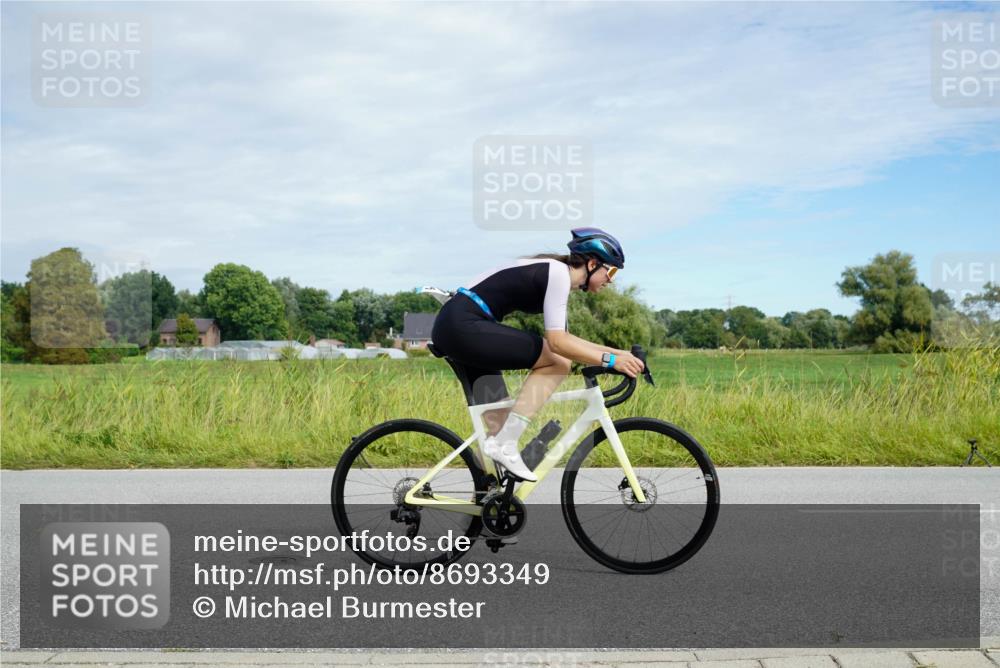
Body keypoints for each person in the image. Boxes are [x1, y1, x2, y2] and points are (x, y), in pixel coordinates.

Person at [430, 228, 645, 482]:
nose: (611, 280)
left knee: (500, 424)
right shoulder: (558, 274)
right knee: (558, 362)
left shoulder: (557, 276)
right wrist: (611, 361)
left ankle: (485, 491)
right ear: (591, 264)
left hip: (460, 327)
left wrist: (619, 354)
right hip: (463, 326)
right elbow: (558, 344)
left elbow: (567, 339)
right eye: (611, 271)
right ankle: (506, 445)